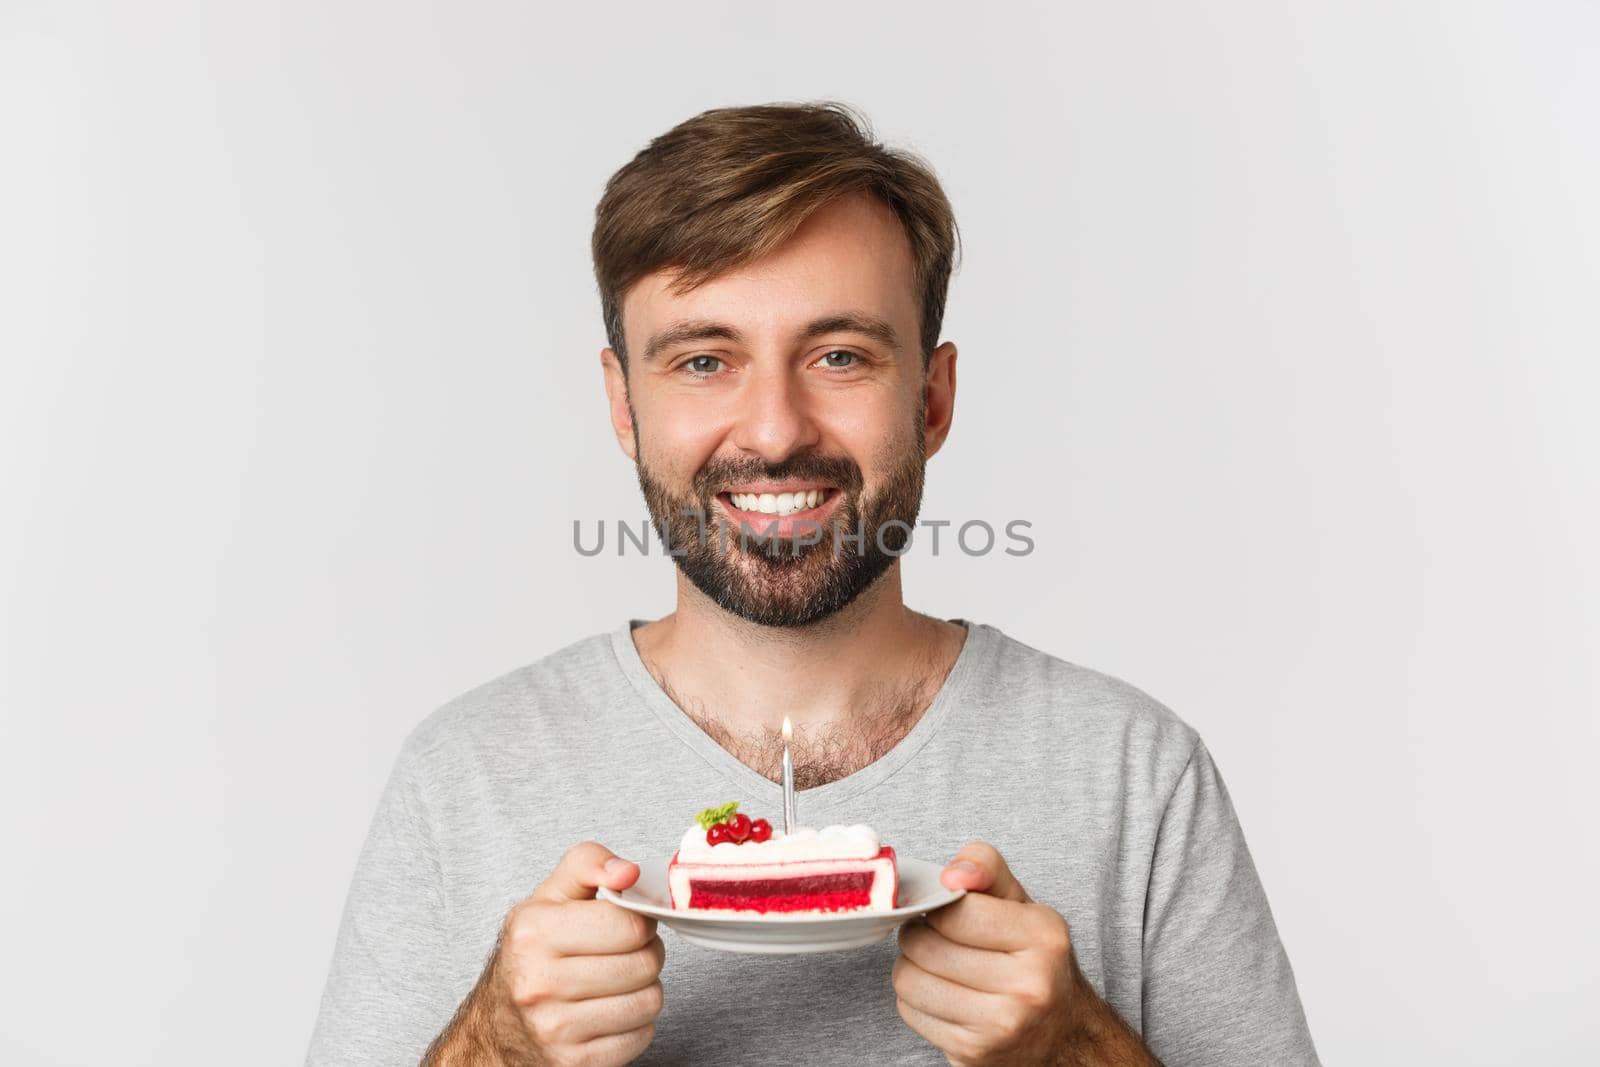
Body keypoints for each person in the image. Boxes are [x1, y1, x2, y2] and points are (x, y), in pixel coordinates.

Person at [306, 101, 1319, 1066]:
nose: (776, 428)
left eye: (838, 355)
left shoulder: (1132, 771)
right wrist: (495, 1048)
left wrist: (1074, 1049)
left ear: (931, 396)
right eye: (704, 360)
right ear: (624, 405)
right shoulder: (464, 776)